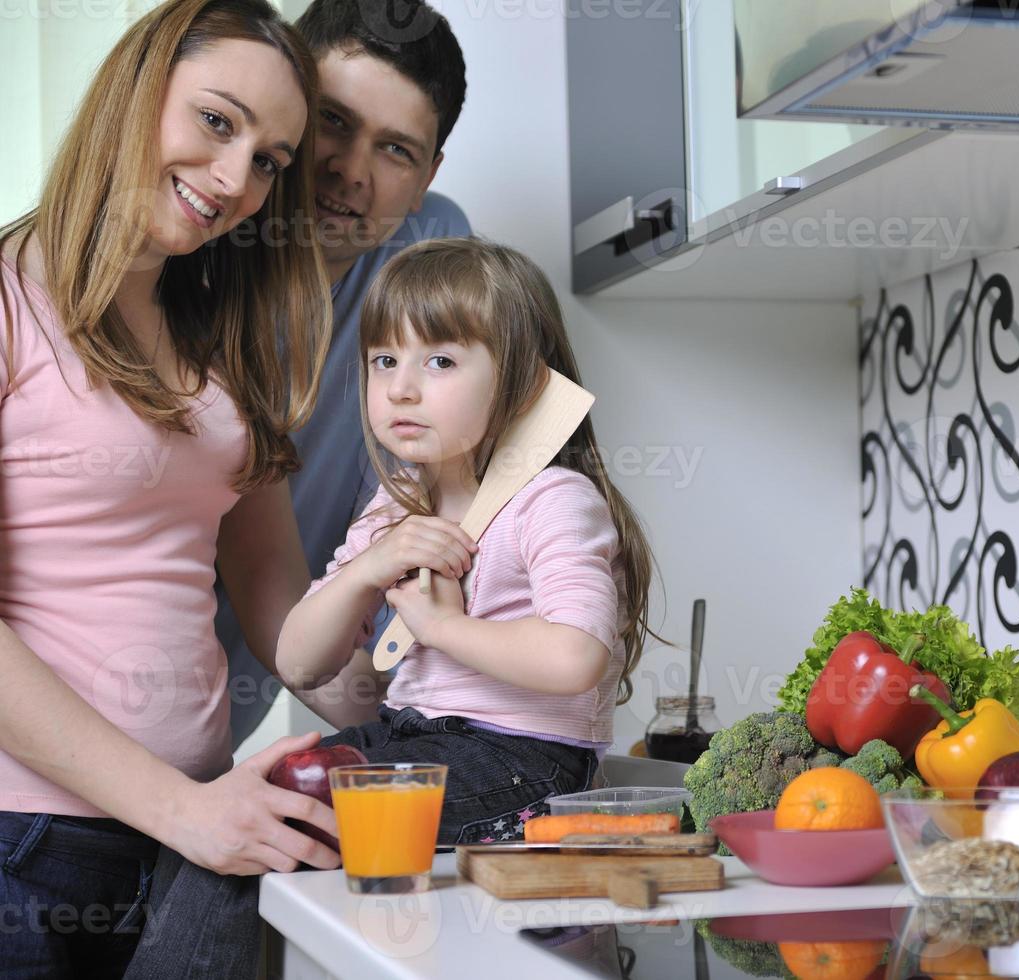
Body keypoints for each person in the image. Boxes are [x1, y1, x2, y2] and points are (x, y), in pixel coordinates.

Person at [129, 237, 663, 976]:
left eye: (440, 361)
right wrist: (366, 572)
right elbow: (297, 658)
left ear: (523, 383)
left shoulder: (552, 500)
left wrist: (444, 626)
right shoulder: (397, 508)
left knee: (264, 832)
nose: (402, 388)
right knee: (230, 812)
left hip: (527, 769)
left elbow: (575, 657)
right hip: (411, 742)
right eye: (385, 360)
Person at [0, 0, 339, 975]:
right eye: (217, 122)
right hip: (26, 846)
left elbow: (283, 608)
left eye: (270, 160)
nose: (236, 181)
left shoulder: (222, 344)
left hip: (189, 849)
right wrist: (184, 808)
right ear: (137, 90)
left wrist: (430, 662)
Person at [216, 0, 472, 747]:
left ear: (427, 174)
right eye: (332, 120)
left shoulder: (426, 250)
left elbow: (411, 510)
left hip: (207, 741)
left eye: (396, 150)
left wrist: (438, 746)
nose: (349, 172)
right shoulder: (189, 264)